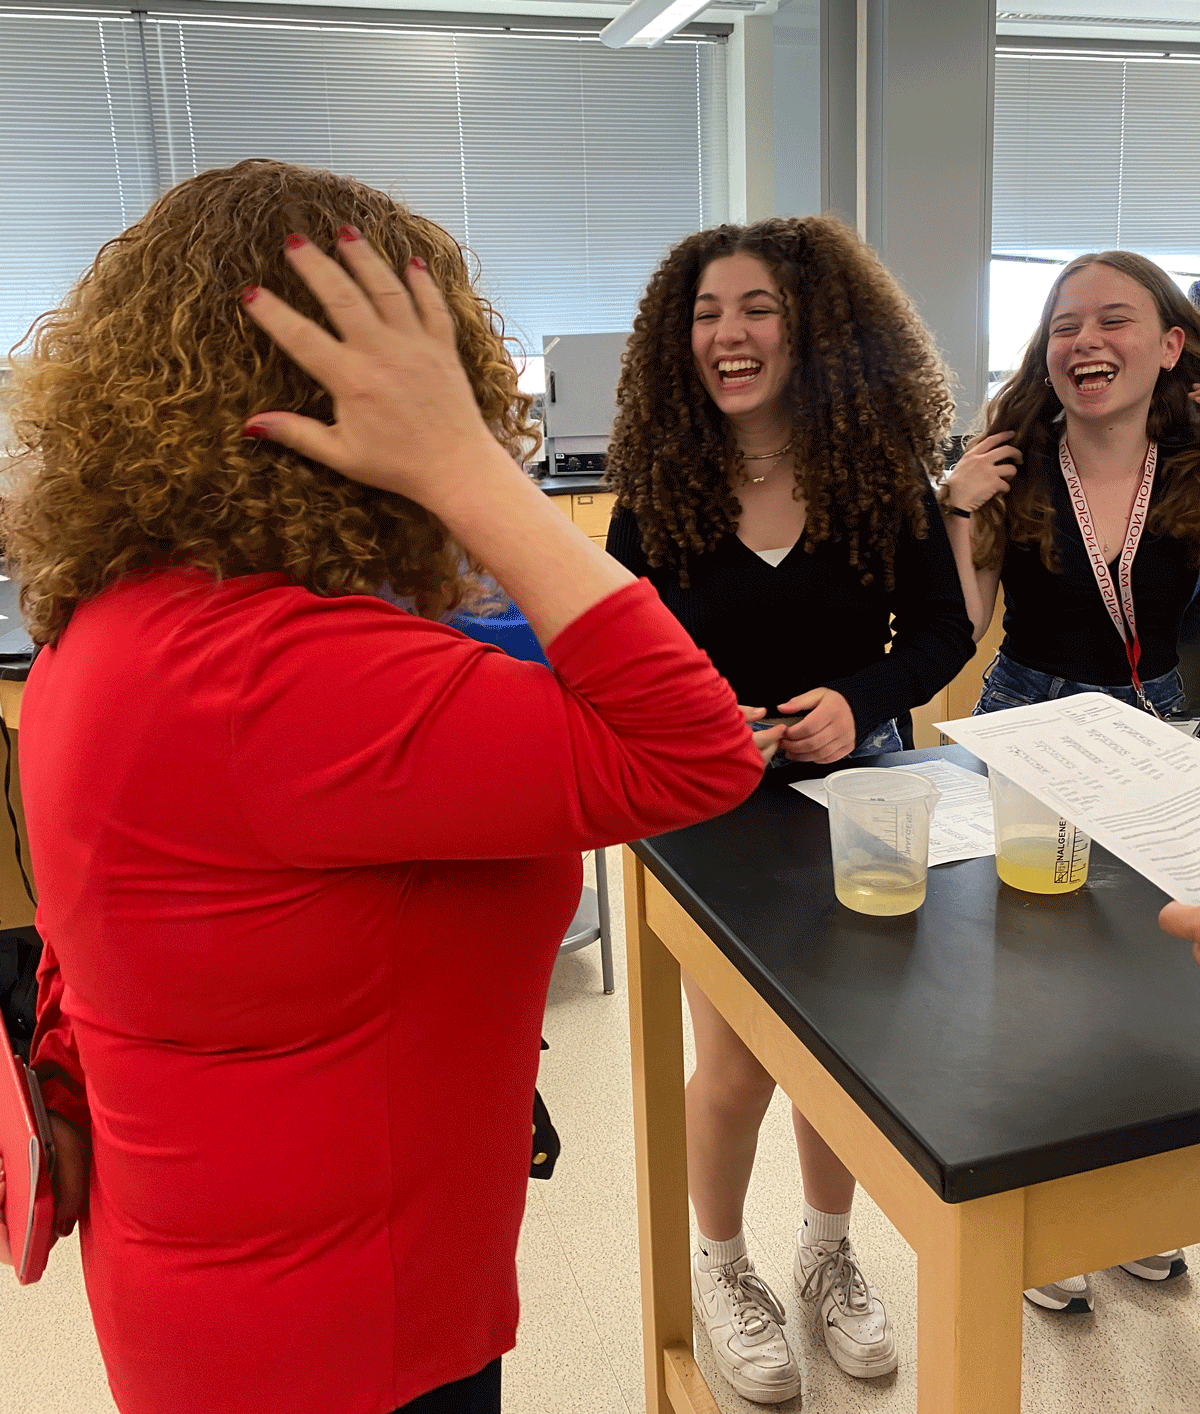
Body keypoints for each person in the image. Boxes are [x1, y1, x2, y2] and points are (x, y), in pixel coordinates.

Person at [0, 159, 766, 1414]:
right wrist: (465, 470)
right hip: (346, 1333)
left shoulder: (124, 618)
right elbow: (694, 750)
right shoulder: (275, 676)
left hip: (227, 1288)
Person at [604, 215, 975, 1403]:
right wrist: (705, 709)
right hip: (707, 809)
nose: (730, 334)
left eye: (755, 307)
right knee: (740, 1066)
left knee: (846, 1056)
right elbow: (611, 649)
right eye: (707, 313)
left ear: (810, 324)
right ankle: (724, 1267)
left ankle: (828, 1253)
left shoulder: (877, 478)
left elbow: (941, 635)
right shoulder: (657, 492)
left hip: (859, 795)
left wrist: (852, 699)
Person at [941, 249, 1200, 1313]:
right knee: (1035, 983)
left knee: (1155, 978)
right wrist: (956, 509)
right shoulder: (1009, 464)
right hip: (1033, 723)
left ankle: (1129, 1209)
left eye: (1115, 320)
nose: (1084, 341)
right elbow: (959, 626)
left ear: (1172, 344)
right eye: (1063, 326)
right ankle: (1047, 1220)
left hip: (1171, 727)